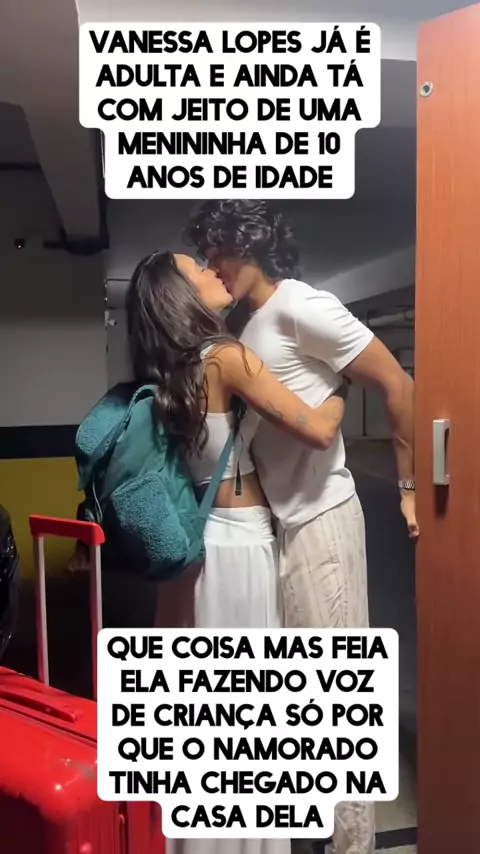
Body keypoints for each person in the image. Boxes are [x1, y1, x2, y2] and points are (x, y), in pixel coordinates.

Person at [186, 199, 418, 854]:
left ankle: (351, 846)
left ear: (251, 244)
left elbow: (398, 386)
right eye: (205, 253)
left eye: (218, 250)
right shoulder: (245, 322)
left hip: (321, 520)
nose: (212, 263)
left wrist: (408, 489)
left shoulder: (302, 306)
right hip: (279, 525)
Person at [126, 249, 347, 854]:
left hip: (188, 547)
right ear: (182, 294)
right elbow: (319, 429)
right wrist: (340, 388)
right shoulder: (226, 356)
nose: (213, 270)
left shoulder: (163, 369)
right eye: (198, 269)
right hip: (238, 546)